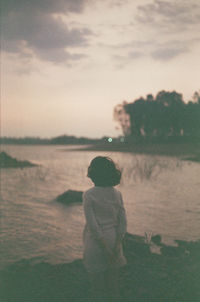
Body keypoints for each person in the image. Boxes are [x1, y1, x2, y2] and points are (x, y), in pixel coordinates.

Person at [82, 156, 127, 302]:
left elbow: (93, 226)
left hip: (96, 244)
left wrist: (105, 249)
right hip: (114, 241)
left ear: (93, 173)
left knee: (97, 289)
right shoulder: (117, 194)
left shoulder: (88, 195)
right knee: (113, 286)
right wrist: (118, 245)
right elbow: (122, 223)